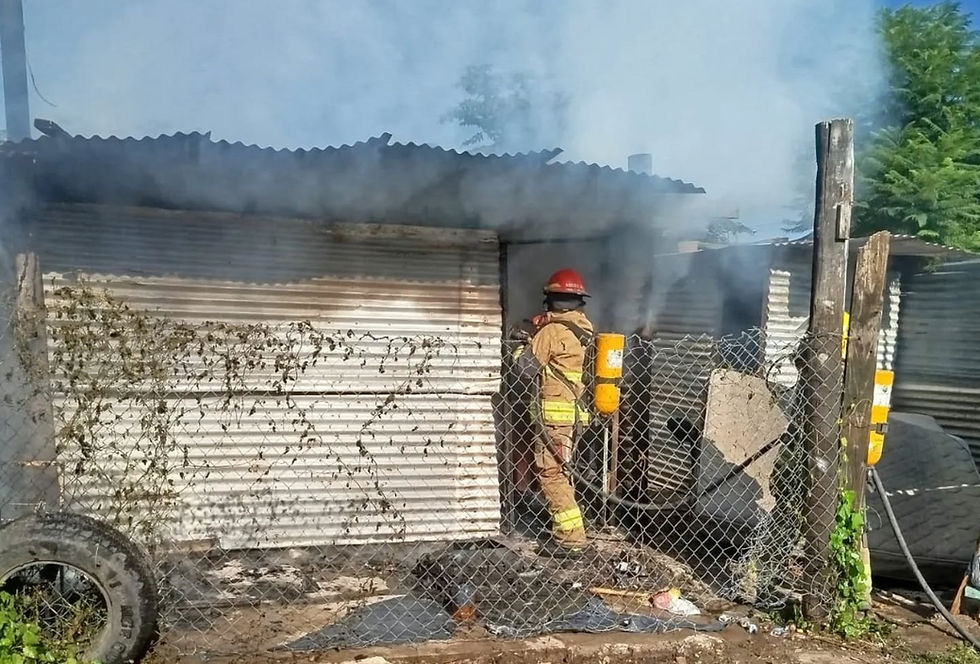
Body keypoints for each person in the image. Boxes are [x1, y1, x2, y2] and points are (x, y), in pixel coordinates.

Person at [512, 268, 594, 554]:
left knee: (550, 473)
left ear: (551, 300)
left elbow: (525, 368)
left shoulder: (551, 331)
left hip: (553, 418)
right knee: (562, 471)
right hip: (571, 414)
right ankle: (568, 531)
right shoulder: (583, 328)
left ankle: (570, 538)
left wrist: (525, 343)